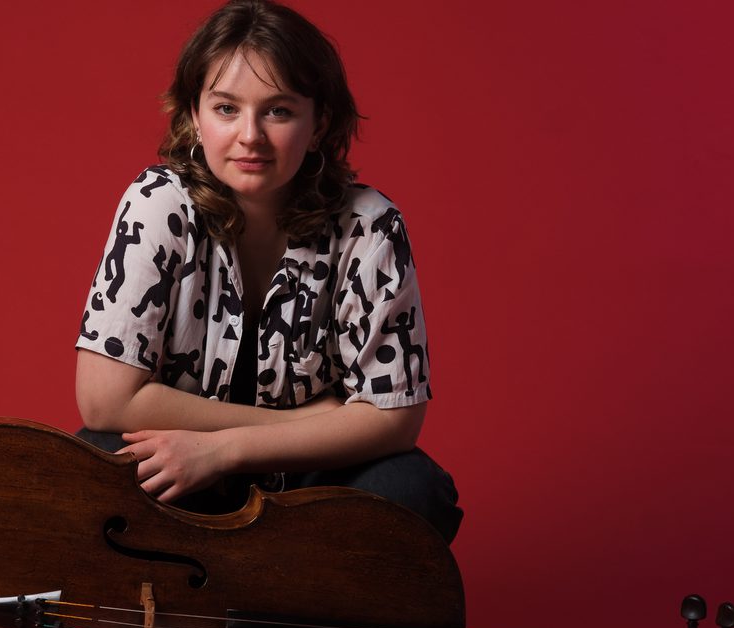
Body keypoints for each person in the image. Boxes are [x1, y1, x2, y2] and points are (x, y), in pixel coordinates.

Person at [74, 0, 462, 542]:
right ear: (194, 114)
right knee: (100, 461)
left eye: (278, 110)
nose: (250, 135)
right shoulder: (156, 204)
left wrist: (226, 448)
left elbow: (395, 418)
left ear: (319, 120)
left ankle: (286, 607)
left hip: (310, 477)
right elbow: (105, 400)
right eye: (227, 108)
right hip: (181, 466)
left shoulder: (370, 226)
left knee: (413, 491)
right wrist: (308, 419)